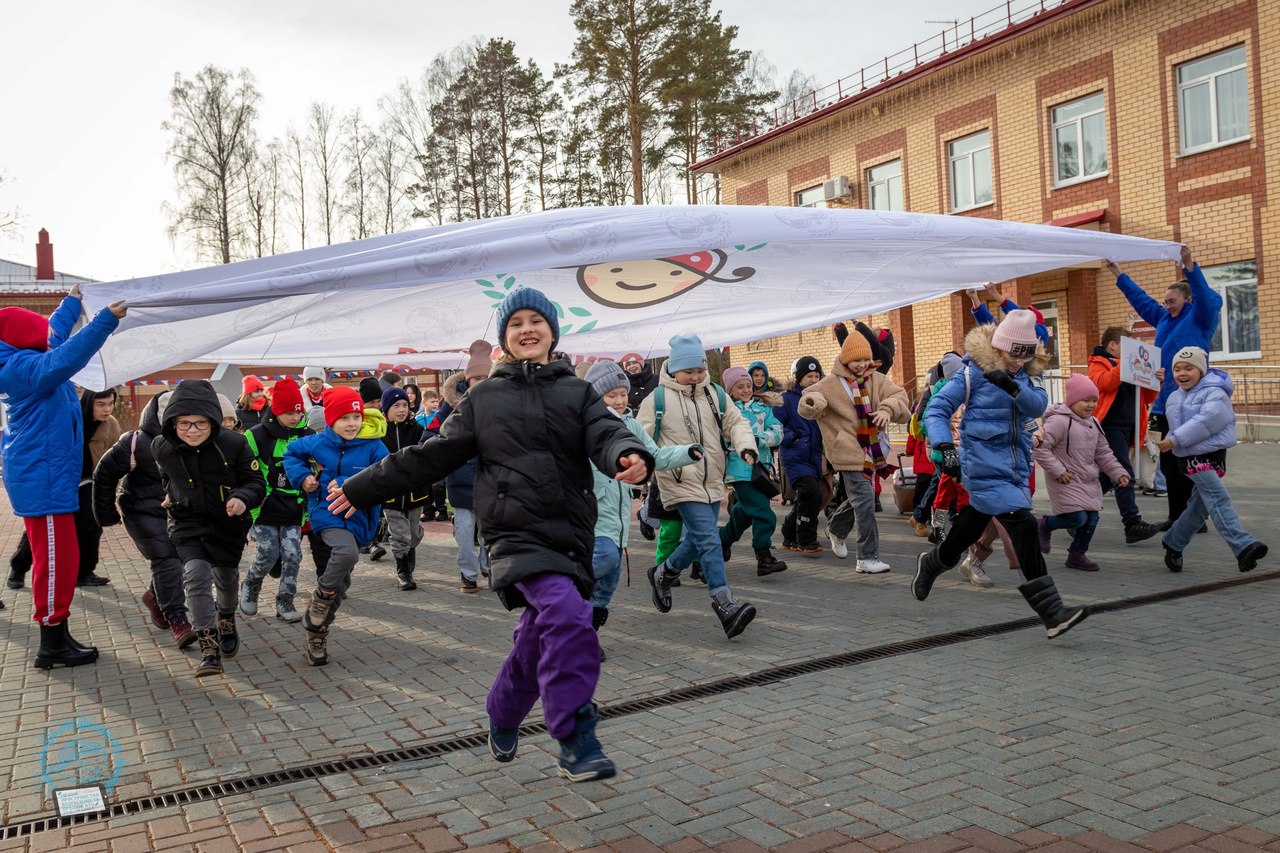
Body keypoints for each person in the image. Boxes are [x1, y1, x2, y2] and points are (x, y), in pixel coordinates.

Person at [330, 286, 652, 783]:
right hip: (514, 532)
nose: (527, 329)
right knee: (569, 616)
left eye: (536, 321)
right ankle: (575, 736)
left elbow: (606, 432)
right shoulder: (485, 397)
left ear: (552, 333)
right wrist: (360, 487)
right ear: (505, 338)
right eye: (516, 322)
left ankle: (502, 714)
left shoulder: (577, 391)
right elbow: (430, 455)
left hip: (569, 531)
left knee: (536, 639)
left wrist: (629, 456)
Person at [913, 310, 1089, 639]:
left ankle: (935, 561)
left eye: (1025, 357)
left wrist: (1013, 388)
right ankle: (1052, 613)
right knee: (1022, 524)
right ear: (998, 347)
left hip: (1014, 466)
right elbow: (937, 409)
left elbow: (1037, 407)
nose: (1017, 363)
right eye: (1012, 355)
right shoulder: (970, 373)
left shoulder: (1024, 376)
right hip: (980, 463)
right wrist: (943, 446)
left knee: (969, 526)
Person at [0, 289, 124, 668]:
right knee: (55, 560)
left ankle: (58, 631)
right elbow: (65, 356)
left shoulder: (22, 353)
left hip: (48, 474)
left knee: (64, 556)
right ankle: (51, 641)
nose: (49, 338)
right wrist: (104, 320)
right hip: (43, 477)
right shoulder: (18, 369)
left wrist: (72, 303)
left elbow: (52, 332)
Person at [640, 333, 759, 638]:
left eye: (699, 370)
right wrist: (637, 469)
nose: (695, 376)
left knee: (696, 539)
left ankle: (663, 574)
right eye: (688, 371)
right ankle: (724, 603)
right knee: (709, 539)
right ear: (674, 369)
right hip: (679, 480)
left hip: (712, 480)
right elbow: (639, 438)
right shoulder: (658, 399)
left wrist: (746, 446)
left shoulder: (715, 393)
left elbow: (736, 423)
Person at [583, 360, 700, 659]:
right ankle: (560, 610)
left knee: (608, 581)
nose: (621, 400)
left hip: (619, 516)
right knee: (603, 559)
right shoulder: (587, 426)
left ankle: (586, 638)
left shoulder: (632, 424)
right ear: (597, 398)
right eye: (612, 396)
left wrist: (687, 452)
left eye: (623, 393)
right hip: (593, 511)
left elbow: (655, 456)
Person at [152, 379, 266, 677]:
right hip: (186, 521)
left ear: (213, 421)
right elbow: (168, 477)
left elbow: (256, 483)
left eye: (200, 423)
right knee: (196, 575)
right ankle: (208, 646)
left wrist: (242, 498)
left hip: (227, 522)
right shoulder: (161, 446)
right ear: (172, 423)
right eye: (184, 424)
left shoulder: (234, 443)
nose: (192, 430)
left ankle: (226, 617)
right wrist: (171, 495)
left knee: (226, 580)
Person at [1106, 246, 1221, 528]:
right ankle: (1178, 516)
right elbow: (1141, 301)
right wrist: (1118, 274)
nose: (1167, 305)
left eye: (1173, 301)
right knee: (1169, 462)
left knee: (1191, 461)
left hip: (1193, 400)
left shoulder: (1200, 316)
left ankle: (1193, 516)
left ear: (1187, 299)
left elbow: (1205, 296)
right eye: (1166, 301)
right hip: (1165, 402)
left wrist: (1190, 266)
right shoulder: (1163, 319)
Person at [282, 386, 390, 667]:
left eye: (356, 416)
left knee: (342, 585)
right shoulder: (317, 443)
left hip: (360, 518)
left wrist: (350, 485)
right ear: (330, 420)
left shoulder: (374, 445)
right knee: (346, 555)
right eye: (344, 418)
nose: (352, 423)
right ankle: (320, 596)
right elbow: (291, 454)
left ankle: (316, 633)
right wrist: (304, 477)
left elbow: (387, 478)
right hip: (326, 512)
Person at [798, 329, 910, 573]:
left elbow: (900, 397)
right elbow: (808, 399)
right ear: (845, 359)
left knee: (864, 498)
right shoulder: (830, 383)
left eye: (864, 360)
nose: (861, 365)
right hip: (847, 449)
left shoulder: (877, 379)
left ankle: (836, 528)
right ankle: (867, 558)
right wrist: (814, 404)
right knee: (865, 500)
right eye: (856, 360)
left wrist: (887, 410)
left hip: (873, 449)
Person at [93, 390, 195, 647]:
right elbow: (104, 473)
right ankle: (177, 619)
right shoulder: (135, 442)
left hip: (177, 512)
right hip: (142, 510)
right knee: (167, 560)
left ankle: (154, 596)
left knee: (183, 559)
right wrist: (106, 513)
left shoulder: (195, 439)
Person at [1158, 347, 1267, 574]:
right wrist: (1169, 440)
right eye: (1177, 369)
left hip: (1214, 456)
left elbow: (1206, 421)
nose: (1182, 373)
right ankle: (1243, 546)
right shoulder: (1174, 396)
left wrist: (1174, 439)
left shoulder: (1215, 393)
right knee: (1218, 497)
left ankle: (1174, 541)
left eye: (1189, 368)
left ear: (1201, 370)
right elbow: (1178, 429)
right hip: (1191, 458)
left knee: (1199, 506)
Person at [1034, 374, 1132, 572]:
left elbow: (1103, 452)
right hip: (1065, 479)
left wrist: (1117, 472)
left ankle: (1077, 555)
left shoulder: (1094, 423)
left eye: (1094, 400)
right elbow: (1040, 448)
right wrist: (1059, 471)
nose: (1091, 405)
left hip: (1088, 479)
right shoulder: (1059, 422)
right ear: (1072, 400)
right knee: (1076, 518)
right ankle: (1043, 524)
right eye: (1085, 400)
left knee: (1092, 519)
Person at [239, 380, 311, 622]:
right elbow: (245, 471)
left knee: (293, 555)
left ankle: (285, 601)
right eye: (289, 412)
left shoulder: (307, 436)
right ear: (277, 411)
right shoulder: (255, 435)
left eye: (299, 411)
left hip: (293, 507)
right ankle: (250, 585)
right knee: (268, 553)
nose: (295, 417)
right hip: (265, 506)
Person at [1088, 326, 1161, 543]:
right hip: (1109, 426)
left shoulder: (1128, 365)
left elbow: (1146, 397)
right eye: (1128, 346)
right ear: (1113, 345)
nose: (1132, 351)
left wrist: (1155, 379)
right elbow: (1104, 383)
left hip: (1129, 426)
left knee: (1108, 477)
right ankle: (1132, 523)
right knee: (1122, 473)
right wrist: (1127, 364)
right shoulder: (1098, 363)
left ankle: (1076, 515)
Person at [718, 366, 787, 576]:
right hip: (739, 470)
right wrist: (742, 442)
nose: (746, 390)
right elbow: (724, 436)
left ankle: (719, 543)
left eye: (748, 385)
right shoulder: (726, 412)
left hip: (761, 470)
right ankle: (764, 556)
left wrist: (759, 439)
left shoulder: (763, 409)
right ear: (730, 390)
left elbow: (778, 432)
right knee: (764, 514)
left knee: (745, 513)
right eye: (740, 387)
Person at [439, 341, 495, 592]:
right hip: (461, 484)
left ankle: (490, 567)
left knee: (490, 534)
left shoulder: (500, 402)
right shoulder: (449, 407)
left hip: (491, 483)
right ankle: (468, 574)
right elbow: (431, 441)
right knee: (464, 535)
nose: (481, 382)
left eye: (487, 377)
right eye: (477, 378)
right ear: (468, 380)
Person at [774, 356, 827, 554]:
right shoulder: (786, 399)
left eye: (816, 376)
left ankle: (789, 533)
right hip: (795, 455)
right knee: (810, 493)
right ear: (799, 378)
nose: (813, 379)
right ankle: (807, 540)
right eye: (809, 376)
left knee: (812, 496)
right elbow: (775, 424)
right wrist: (792, 437)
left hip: (814, 456)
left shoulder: (822, 398)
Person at [378, 386, 427, 591]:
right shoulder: (379, 433)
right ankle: (403, 571)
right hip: (390, 491)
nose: (401, 409)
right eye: (396, 405)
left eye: (405, 405)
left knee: (413, 534)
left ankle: (410, 550)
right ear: (386, 409)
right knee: (399, 533)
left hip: (415, 489)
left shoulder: (417, 430)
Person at [76, 387, 121, 586]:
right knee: (47, 527)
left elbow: (115, 458)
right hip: (64, 482)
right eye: (101, 404)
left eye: (110, 404)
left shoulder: (111, 425)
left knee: (93, 525)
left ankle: (85, 572)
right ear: (89, 403)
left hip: (90, 482)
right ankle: (18, 567)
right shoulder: (71, 419)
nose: (107, 409)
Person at [301, 366, 328, 432]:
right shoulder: (299, 399)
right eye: (310, 379)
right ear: (306, 382)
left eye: (317, 379)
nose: (313, 383)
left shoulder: (333, 397)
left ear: (322, 380)